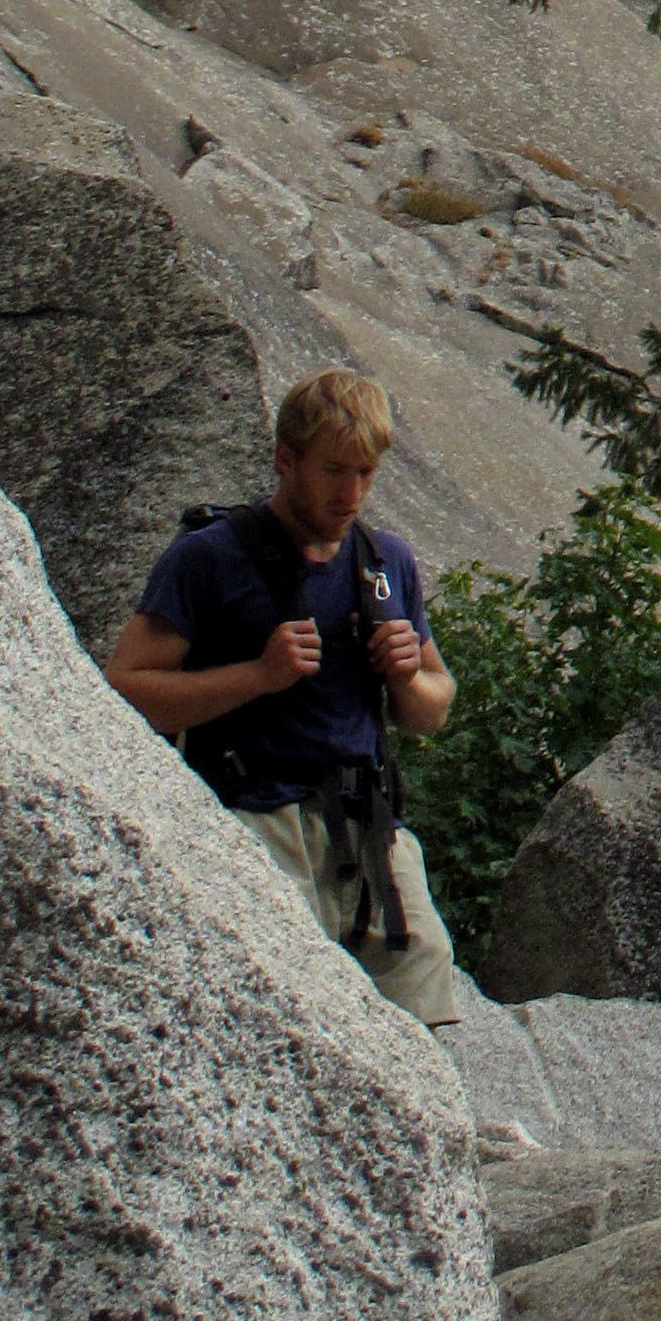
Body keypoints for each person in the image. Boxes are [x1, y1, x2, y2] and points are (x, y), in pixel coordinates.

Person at [105, 363, 467, 1035]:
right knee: (284, 1014)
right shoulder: (209, 557)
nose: (351, 492)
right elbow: (125, 689)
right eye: (334, 471)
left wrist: (406, 678)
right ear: (284, 460)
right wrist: (257, 676)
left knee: (421, 976)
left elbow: (431, 709)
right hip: (253, 819)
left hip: (366, 824)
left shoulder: (385, 564)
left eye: (366, 473)